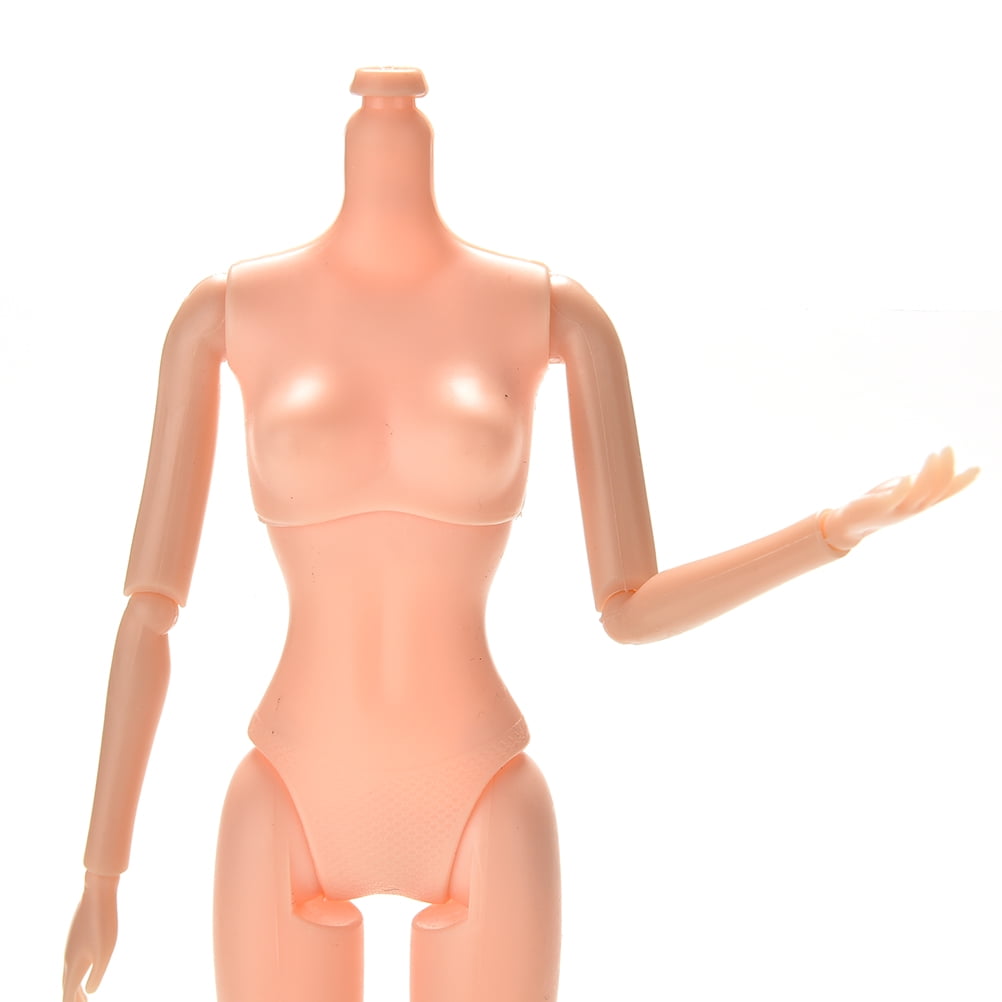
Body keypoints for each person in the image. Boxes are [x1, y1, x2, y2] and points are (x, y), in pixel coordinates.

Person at [62, 66, 977, 1002]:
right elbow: (149, 615)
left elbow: (631, 608)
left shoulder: (552, 312)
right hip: (286, 790)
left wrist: (831, 532)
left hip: (481, 794)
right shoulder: (226, 312)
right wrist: (101, 876)